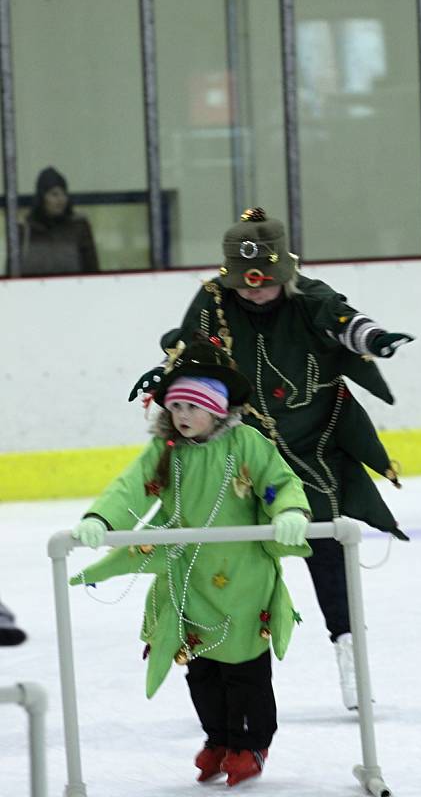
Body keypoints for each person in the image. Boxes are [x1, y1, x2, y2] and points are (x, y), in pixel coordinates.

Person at [129, 206, 414, 710]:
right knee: (234, 563)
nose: (253, 291)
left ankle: (351, 660)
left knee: (326, 554)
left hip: (311, 455)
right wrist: (163, 376)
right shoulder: (214, 301)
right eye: (244, 283)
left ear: (285, 271)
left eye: (263, 282)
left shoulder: (310, 298)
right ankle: (225, 673)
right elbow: (190, 355)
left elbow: (346, 322)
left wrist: (377, 339)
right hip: (240, 457)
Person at [70, 333, 311, 787]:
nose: (181, 417)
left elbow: (278, 482)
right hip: (185, 579)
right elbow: (132, 486)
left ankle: (251, 742)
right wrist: (101, 516)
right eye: (175, 407)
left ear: (218, 407)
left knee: (244, 669)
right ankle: (218, 737)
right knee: (200, 667)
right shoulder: (166, 452)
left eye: (192, 407)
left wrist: (290, 511)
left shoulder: (247, 443)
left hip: (243, 578)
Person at [18, 166, 99, 276]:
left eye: (64, 194)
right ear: (42, 197)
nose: (61, 200)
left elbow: (92, 270)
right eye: (54, 194)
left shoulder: (79, 227)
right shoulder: (25, 229)